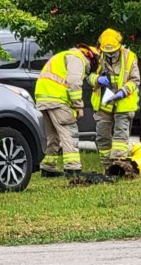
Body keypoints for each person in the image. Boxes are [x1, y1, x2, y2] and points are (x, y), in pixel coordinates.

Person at [34, 43, 99, 175]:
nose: (89, 69)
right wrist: (78, 105)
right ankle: (73, 168)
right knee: (69, 132)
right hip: (58, 99)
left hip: (44, 99)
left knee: (53, 135)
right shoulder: (77, 58)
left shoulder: (64, 56)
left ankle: (48, 167)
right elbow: (74, 82)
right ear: (90, 58)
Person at [88, 28, 141, 170]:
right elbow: (89, 76)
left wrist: (123, 92)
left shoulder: (129, 57)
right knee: (102, 136)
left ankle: (118, 167)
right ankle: (107, 167)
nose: (110, 55)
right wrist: (98, 79)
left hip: (123, 103)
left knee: (119, 138)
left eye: (113, 52)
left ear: (119, 47)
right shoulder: (98, 57)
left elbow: (135, 80)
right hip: (104, 104)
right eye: (108, 53)